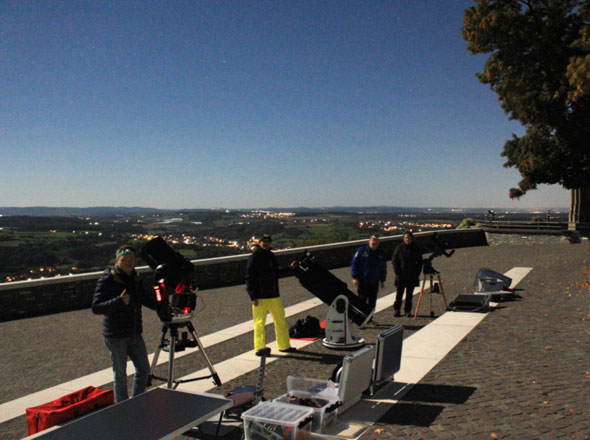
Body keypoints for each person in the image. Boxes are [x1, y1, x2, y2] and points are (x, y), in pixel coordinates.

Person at [91, 245, 156, 402]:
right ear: (117, 260)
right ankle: (122, 406)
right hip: (116, 334)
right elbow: (96, 307)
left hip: (134, 332)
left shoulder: (136, 278)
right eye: (125, 260)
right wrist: (119, 301)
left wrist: (162, 307)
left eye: (132, 260)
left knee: (144, 369)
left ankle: (137, 401)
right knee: (120, 374)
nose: (129, 263)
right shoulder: (107, 279)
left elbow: (144, 299)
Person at [245, 234, 297, 353]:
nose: (266, 243)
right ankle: (259, 347)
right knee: (259, 323)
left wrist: (289, 268)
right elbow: (249, 277)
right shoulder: (255, 256)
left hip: (274, 294)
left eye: (268, 241)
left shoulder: (271, 255)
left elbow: (276, 272)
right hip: (260, 296)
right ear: (259, 242)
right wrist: (252, 296)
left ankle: (284, 345)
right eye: (264, 241)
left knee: (281, 321)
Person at [350, 234, 387, 312]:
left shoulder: (381, 253)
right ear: (369, 241)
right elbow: (354, 264)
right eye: (372, 240)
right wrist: (354, 277)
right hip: (363, 281)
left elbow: (383, 268)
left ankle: (369, 318)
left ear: (378, 242)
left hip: (374, 282)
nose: (374, 242)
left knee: (372, 302)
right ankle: (358, 317)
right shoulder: (361, 250)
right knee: (361, 300)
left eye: (376, 240)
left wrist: (382, 280)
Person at [392, 231, 423, 317]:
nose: (407, 239)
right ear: (403, 238)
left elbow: (419, 262)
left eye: (409, 238)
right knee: (399, 294)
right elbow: (394, 260)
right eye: (406, 238)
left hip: (412, 275)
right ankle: (397, 310)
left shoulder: (416, 248)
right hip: (401, 275)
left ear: (411, 239)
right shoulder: (399, 248)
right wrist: (397, 272)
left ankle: (407, 310)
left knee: (409, 294)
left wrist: (417, 273)